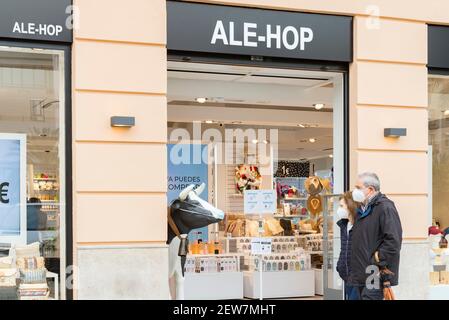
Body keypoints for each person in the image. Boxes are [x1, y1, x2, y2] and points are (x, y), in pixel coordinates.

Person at [349, 172, 402, 300]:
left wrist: (377, 259)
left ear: (370, 189)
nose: (354, 191)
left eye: (358, 187)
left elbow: (393, 241)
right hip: (361, 272)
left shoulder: (385, 207)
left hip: (375, 272)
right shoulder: (361, 210)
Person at [335, 191, 358, 300]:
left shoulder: (360, 226)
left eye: (341, 206)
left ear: (350, 206)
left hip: (358, 277)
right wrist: (340, 266)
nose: (339, 209)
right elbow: (343, 248)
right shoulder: (344, 225)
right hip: (346, 276)